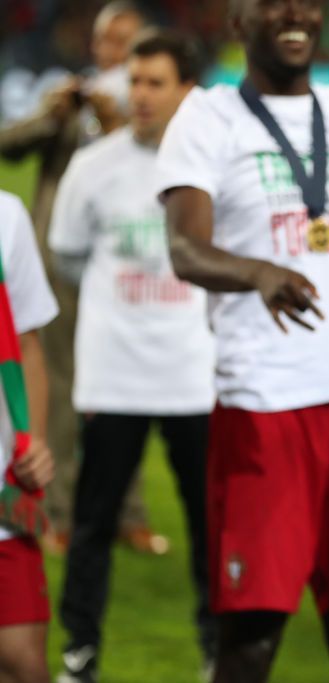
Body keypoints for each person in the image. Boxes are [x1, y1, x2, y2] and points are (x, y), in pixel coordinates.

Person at [156, 0, 329, 680]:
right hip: (264, 408)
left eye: (306, 2)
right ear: (238, 21)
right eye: (273, 4)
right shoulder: (209, 116)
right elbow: (186, 247)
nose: (294, 14)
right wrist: (257, 271)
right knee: (249, 638)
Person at [48, 31, 216, 683]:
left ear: (187, 91)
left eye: (154, 83)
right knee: (93, 524)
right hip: (113, 374)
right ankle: (80, 652)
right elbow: (67, 256)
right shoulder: (94, 165)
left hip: (194, 374)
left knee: (209, 525)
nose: (139, 95)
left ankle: (214, 648)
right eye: (134, 81)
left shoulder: (212, 166)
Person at [0, 0, 161, 557]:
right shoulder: (67, 101)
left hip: (129, 272)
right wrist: (56, 115)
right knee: (63, 388)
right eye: (104, 41)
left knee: (128, 392)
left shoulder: (153, 112)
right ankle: (59, 514)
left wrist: (120, 123)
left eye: (122, 41)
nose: (108, 51)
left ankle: (129, 517)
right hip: (62, 270)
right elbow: (9, 146)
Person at [0, 191, 58, 683]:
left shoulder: (6, 215)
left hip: (1, 486)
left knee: (23, 663)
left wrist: (33, 441)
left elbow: (27, 343)